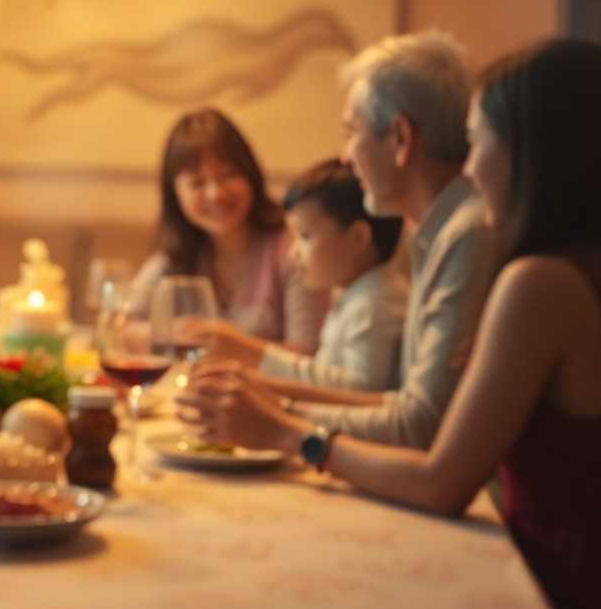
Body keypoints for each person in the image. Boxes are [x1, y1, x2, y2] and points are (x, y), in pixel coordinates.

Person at [180, 38, 601, 609]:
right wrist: (276, 404)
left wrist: (291, 433)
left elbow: (441, 480)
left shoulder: (540, 285)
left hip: (570, 596)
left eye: (479, 141)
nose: (467, 167)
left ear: (531, 152)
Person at [190, 31, 497, 449]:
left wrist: (279, 418)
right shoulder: (435, 233)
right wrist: (262, 393)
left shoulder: (468, 234)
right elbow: (398, 403)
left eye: (351, 133)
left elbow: (423, 425)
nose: (347, 156)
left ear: (401, 138)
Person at [194, 158, 408, 391]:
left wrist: (252, 354)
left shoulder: (377, 300)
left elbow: (359, 389)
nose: (292, 253)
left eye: (305, 236)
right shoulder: (355, 294)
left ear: (358, 237)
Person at [133, 108, 330, 352]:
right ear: (175, 194)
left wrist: (230, 343)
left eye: (229, 174)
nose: (216, 193)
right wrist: (170, 332)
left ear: (250, 175)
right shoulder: (178, 255)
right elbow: (120, 326)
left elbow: (307, 353)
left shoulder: (292, 250)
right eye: (197, 183)